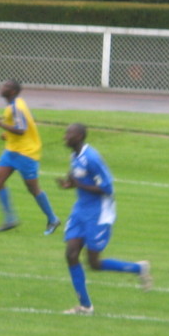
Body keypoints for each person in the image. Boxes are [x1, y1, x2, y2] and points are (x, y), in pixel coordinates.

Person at [57, 123, 151, 314]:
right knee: (71, 254)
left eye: (69, 133)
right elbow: (80, 181)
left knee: (94, 263)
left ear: (80, 136)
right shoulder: (74, 156)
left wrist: (79, 185)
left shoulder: (92, 158)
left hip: (99, 213)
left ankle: (138, 269)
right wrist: (69, 185)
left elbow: (107, 188)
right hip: (80, 211)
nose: (65, 137)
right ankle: (85, 306)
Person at [0, 80, 61, 235]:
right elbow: (25, 123)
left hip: (27, 153)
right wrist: (7, 135)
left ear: (12, 91)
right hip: (12, 150)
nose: (2, 88)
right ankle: (10, 219)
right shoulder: (16, 103)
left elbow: (21, 129)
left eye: (5, 86)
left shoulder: (16, 107)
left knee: (33, 188)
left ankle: (53, 219)